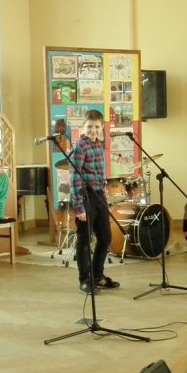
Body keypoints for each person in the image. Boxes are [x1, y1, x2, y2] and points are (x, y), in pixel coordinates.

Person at [70, 109, 120, 294]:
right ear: (83, 127)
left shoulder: (98, 145)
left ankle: (97, 276)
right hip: (86, 197)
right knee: (84, 240)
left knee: (105, 237)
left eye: (97, 127)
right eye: (89, 126)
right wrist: (79, 207)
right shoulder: (80, 146)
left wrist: (104, 190)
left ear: (102, 128)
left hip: (99, 196)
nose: (93, 130)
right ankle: (85, 280)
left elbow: (99, 172)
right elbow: (75, 177)